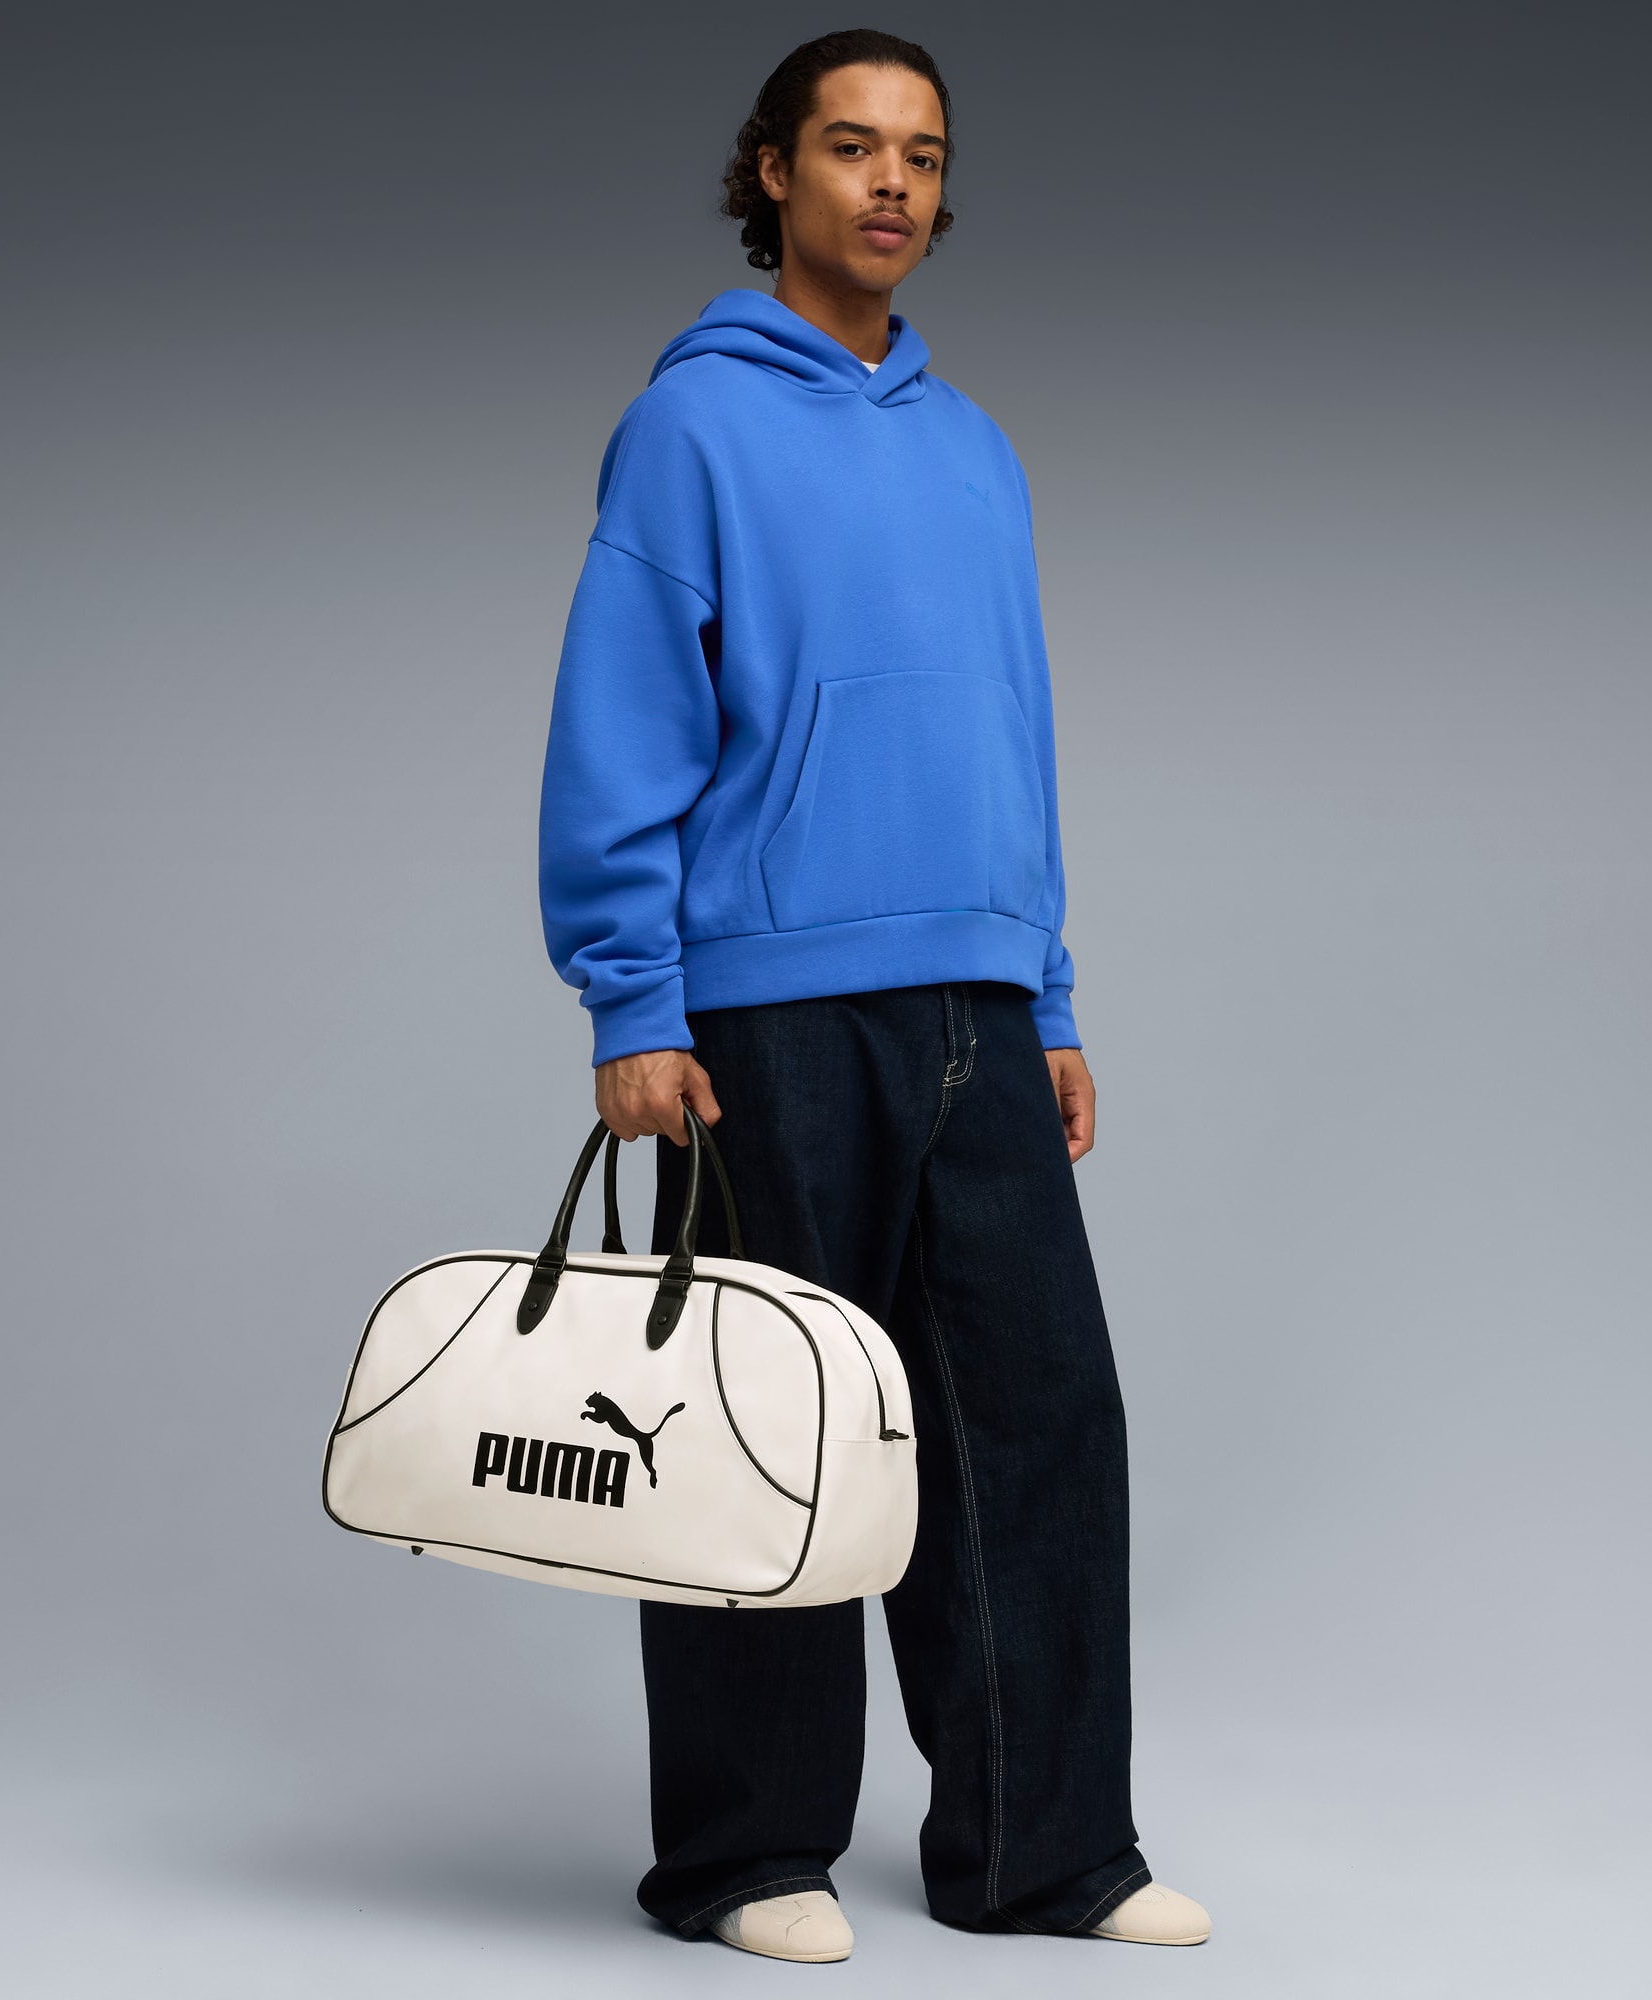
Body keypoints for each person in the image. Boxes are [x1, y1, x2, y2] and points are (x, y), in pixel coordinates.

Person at [538, 27, 1209, 1964]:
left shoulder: (976, 447)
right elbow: (621, 718)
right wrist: (633, 999)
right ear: (772, 173)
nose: (892, 182)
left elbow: (1014, 732)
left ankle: (1043, 1853)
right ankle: (745, 1854)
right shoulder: (691, 426)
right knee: (760, 1417)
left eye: (920, 152)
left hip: (975, 1001)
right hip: (765, 1011)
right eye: (850, 146)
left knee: (1033, 1423)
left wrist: (1048, 987)